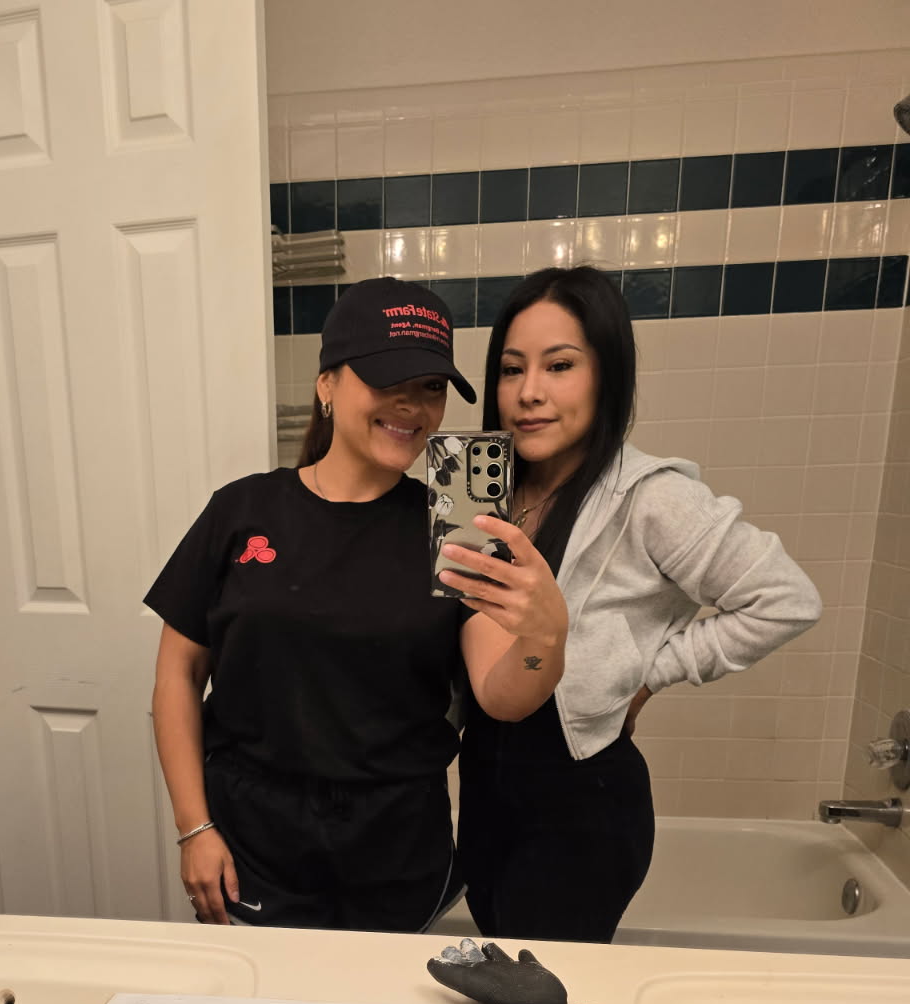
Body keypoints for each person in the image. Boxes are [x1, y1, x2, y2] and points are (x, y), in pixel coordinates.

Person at [145, 277, 568, 930]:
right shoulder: (243, 510)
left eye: (431, 387)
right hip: (253, 842)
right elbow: (177, 675)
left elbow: (501, 696)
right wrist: (194, 826)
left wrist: (544, 640)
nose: (412, 405)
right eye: (386, 378)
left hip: (396, 848)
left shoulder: (455, 521)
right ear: (327, 384)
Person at [458, 266, 822, 944]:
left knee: (544, 993)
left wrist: (653, 672)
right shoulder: (485, 486)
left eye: (559, 365)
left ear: (607, 374)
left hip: (581, 807)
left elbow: (786, 600)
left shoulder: (651, 497)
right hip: (487, 791)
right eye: (511, 369)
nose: (529, 392)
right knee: (502, 966)